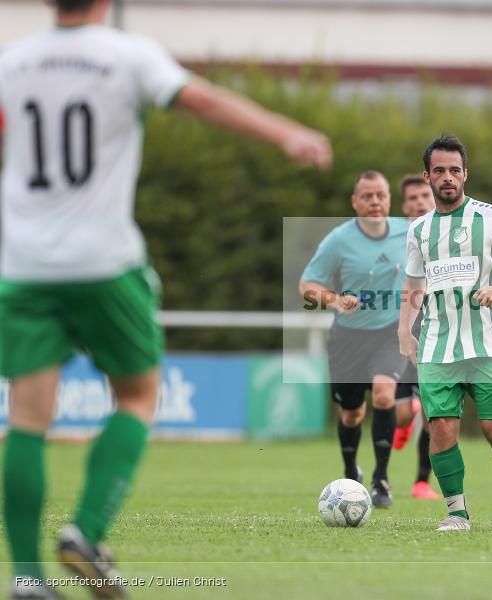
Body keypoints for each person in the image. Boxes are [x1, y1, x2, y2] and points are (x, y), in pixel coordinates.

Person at [0, 1, 332, 598]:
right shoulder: (128, 55)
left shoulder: (12, 62)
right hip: (103, 261)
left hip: (21, 265)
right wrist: (286, 131)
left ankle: (27, 581)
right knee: (138, 393)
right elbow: (201, 99)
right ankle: (86, 531)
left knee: (26, 419)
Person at [398, 135, 492, 531]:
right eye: (440, 171)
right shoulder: (419, 230)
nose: (448, 177)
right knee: (441, 427)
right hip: (435, 343)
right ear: (428, 176)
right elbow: (414, 284)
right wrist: (404, 332)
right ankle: (457, 513)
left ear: (466, 174)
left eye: (455, 170)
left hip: (486, 343)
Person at [299, 171, 407, 509]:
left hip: (390, 333)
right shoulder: (338, 240)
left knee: (384, 395)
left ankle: (382, 480)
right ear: (355, 202)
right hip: (349, 338)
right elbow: (307, 285)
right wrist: (333, 300)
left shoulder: (408, 233)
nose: (375, 202)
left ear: (389, 200)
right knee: (351, 415)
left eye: (381, 195)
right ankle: (350, 471)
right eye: (368, 196)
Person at [393, 175, 440, 500]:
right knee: (402, 411)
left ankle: (421, 481)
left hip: (434, 328)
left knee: (432, 411)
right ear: (404, 205)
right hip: (394, 331)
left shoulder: (445, 235)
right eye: (414, 198)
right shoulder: (391, 238)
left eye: (426, 195)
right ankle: (402, 420)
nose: (421, 201)